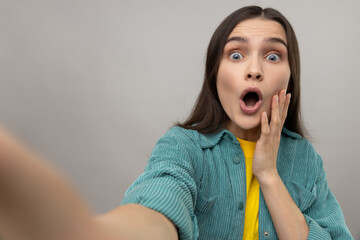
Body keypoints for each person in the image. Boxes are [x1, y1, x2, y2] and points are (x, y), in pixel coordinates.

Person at [0, 5, 353, 240]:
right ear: (216, 74)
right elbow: (158, 206)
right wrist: (91, 231)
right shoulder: (183, 147)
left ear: (290, 77)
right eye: (236, 54)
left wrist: (270, 176)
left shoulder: (305, 160)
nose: (254, 68)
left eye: (273, 55)